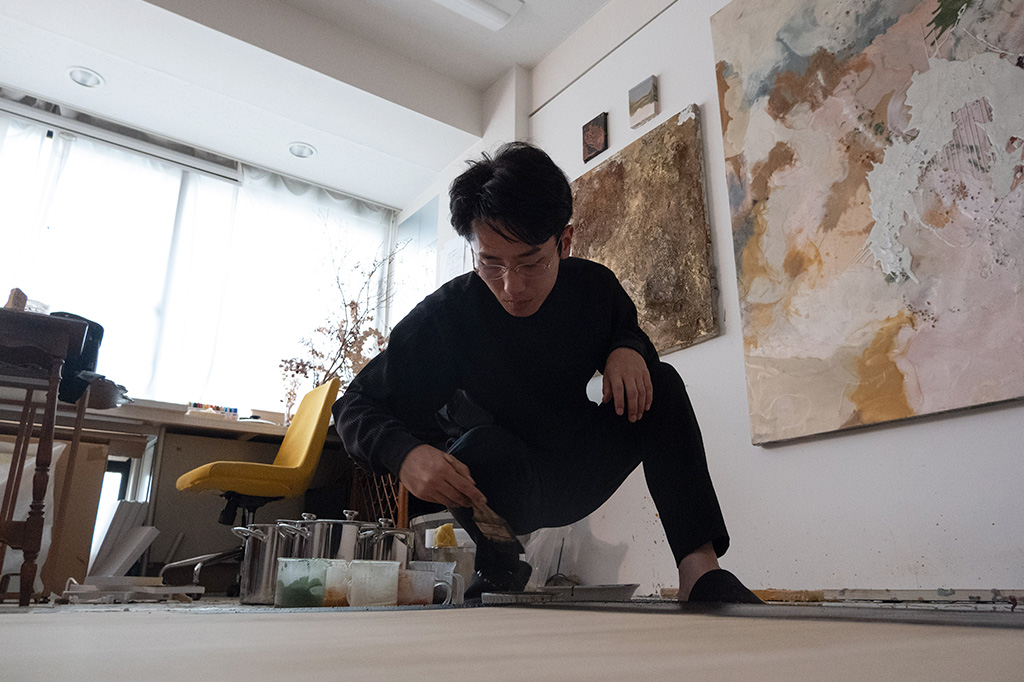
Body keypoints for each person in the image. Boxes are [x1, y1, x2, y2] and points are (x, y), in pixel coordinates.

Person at [334, 141, 762, 604]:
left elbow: (626, 328)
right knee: (478, 447)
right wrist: (403, 454)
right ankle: (500, 565)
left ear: (565, 242)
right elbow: (353, 406)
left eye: (531, 262)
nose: (511, 287)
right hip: (498, 488)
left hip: (575, 467)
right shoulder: (446, 318)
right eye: (490, 263)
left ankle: (700, 573)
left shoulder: (593, 288)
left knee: (661, 383)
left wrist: (627, 347)